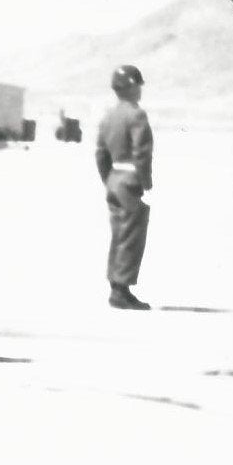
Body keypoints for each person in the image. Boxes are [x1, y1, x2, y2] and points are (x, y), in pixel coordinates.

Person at [96, 64, 153, 310]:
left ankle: (117, 286)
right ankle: (121, 290)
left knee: (119, 234)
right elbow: (142, 152)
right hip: (130, 179)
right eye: (138, 85)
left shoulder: (108, 116)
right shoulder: (136, 115)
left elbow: (100, 153)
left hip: (114, 178)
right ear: (131, 88)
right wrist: (145, 180)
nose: (140, 90)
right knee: (131, 235)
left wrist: (108, 178)